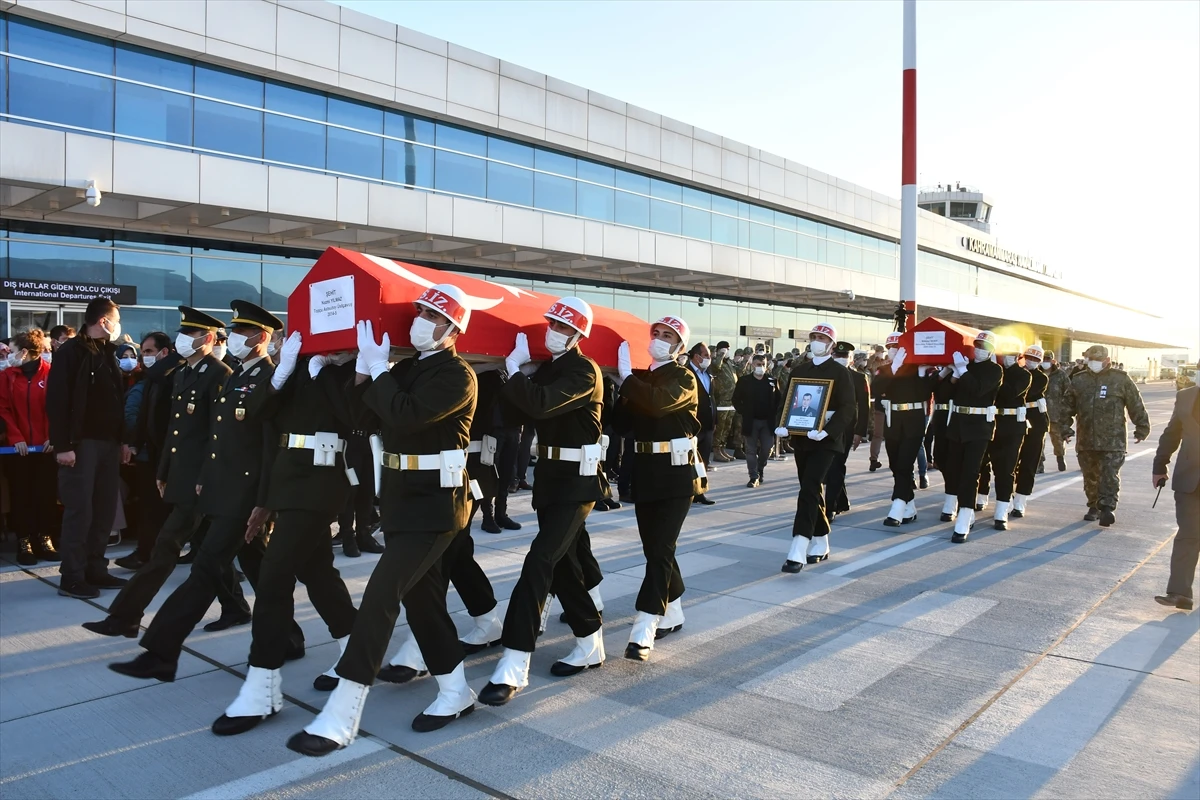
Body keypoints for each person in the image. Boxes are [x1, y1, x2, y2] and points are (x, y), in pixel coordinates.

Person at [287, 286, 481, 757]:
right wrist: (345, 371)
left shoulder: (458, 376)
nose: (419, 321)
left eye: (432, 316)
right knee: (423, 602)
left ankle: (342, 712)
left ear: (453, 329)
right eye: (418, 312)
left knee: (379, 597)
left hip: (436, 507)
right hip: (400, 502)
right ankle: (456, 691)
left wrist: (377, 370)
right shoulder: (407, 369)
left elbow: (404, 414)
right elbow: (362, 418)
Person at [107, 301, 306, 682]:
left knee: (205, 569)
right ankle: (289, 638)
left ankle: (160, 653)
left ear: (261, 338)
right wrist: (205, 479)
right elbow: (218, 438)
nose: (232, 338)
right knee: (262, 572)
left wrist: (264, 502)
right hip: (222, 489)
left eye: (241, 332)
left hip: (245, 496)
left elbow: (269, 447)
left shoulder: (270, 377)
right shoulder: (237, 376)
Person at [211, 330, 359, 737]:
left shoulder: (348, 370)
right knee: (318, 572)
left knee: (275, 577)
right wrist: (284, 373)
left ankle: (263, 688)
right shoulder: (289, 371)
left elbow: (354, 418)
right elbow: (257, 415)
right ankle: (358, 650)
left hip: (322, 481)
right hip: (288, 482)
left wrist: (332, 369)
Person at [82, 307, 249, 638]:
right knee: (206, 552)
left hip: (201, 483)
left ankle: (125, 617)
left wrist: (205, 479)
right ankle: (236, 608)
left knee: (164, 550)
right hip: (182, 477)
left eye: (191, 333)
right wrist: (164, 470)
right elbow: (175, 432)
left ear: (210, 338)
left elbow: (219, 436)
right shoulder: (186, 372)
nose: (184, 339)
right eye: (182, 333)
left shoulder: (220, 375)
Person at [478, 297, 609, 707]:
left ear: (578, 335)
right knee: (565, 567)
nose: (554, 331)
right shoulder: (550, 369)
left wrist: (520, 374)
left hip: (578, 484)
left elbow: (541, 404)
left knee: (539, 561)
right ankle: (590, 641)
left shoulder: (584, 371)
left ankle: (514, 662)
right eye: (551, 323)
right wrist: (504, 374)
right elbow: (516, 411)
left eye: (563, 327)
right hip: (550, 482)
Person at [612, 315, 703, 661]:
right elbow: (621, 425)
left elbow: (658, 403)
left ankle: (645, 625)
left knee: (661, 548)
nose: (660, 339)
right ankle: (674, 609)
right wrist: (621, 387)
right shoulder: (640, 380)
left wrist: (627, 381)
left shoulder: (684, 377)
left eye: (668, 336)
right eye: (656, 334)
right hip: (646, 471)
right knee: (656, 549)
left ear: (680, 346)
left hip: (676, 474)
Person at [47, 296, 128, 599]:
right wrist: (63, 445)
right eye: (116, 319)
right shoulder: (71, 352)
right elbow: (57, 402)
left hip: (108, 444)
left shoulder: (109, 353)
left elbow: (115, 400)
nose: (119, 326)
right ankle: (73, 577)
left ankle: (96, 568)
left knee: (104, 510)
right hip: (80, 446)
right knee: (80, 512)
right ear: (104, 321)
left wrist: (121, 440)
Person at [776, 322, 856, 572]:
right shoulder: (799, 370)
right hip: (802, 438)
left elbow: (848, 409)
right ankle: (822, 541)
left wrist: (828, 431)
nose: (816, 341)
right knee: (809, 490)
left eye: (822, 337)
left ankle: (798, 547)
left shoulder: (840, 372)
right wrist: (782, 424)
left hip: (826, 441)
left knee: (809, 488)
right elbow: (788, 400)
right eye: (813, 337)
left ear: (831, 344)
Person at [1057, 345, 1151, 526]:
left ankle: (1107, 508)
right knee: (1090, 477)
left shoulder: (1120, 380)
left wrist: (1142, 428)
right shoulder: (1078, 380)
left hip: (1113, 440)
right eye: (1091, 359)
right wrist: (1065, 430)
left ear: (1107, 361)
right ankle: (1094, 506)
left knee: (1109, 474)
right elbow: (1066, 407)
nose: (1093, 363)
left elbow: (1135, 404)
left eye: (1098, 360)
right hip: (1086, 439)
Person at [117, 333, 184, 571]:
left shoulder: (169, 380)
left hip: (161, 455)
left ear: (164, 353)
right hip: (151, 454)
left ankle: (149, 553)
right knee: (152, 508)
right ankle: (149, 552)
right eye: (142, 352)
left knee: (157, 509)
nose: (143, 357)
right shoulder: (150, 381)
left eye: (148, 351)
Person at [0, 329, 59, 565]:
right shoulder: (7, 376)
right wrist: (16, 437)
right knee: (21, 494)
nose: (10, 355)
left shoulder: (51, 373)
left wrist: (51, 436)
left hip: (45, 448)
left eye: (12, 350)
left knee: (45, 494)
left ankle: (44, 539)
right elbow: (3, 408)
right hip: (18, 449)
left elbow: (55, 408)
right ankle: (24, 542)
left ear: (24, 352)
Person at [939, 331, 1004, 542]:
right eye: (977, 345)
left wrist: (962, 370)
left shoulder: (995, 370)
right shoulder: (965, 366)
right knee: (953, 468)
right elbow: (943, 395)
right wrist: (949, 373)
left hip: (979, 428)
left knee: (970, 472)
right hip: (957, 424)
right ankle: (956, 505)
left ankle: (965, 515)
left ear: (991, 351)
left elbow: (978, 390)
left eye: (984, 346)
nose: (979, 349)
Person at [871, 333, 935, 527]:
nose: (893, 349)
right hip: (893, 419)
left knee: (905, 464)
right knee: (895, 465)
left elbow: (926, 393)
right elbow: (876, 390)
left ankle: (897, 507)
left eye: (896, 346)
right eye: (890, 346)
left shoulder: (917, 369)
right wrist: (894, 368)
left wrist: (923, 375)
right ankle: (910, 506)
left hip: (913, 419)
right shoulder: (884, 370)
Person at [1152, 384, 1199, 610]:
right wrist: (1160, 465)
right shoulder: (1186, 396)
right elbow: (1172, 433)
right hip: (1190, 478)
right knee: (1188, 535)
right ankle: (1180, 593)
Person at [977, 341, 1031, 530]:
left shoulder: (1024, 375)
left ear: (1018, 357)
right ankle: (981, 496)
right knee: (982, 464)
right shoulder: (994, 370)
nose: (1006, 357)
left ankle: (1001, 510)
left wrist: (995, 374)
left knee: (1005, 469)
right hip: (991, 423)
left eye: (1011, 354)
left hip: (1011, 427)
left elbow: (1008, 393)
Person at [824, 342, 869, 521]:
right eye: (838, 356)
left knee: (836, 465)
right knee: (830, 466)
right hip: (825, 426)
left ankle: (830, 507)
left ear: (851, 359)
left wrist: (860, 432)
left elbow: (864, 407)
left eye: (845, 357)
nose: (841, 360)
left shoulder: (859, 378)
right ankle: (841, 501)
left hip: (847, 428)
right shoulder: (827, 374)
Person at [1012, 345, 1050, 519]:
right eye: (1029, 357)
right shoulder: (1015, 373)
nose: (1031, 361)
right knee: (1010, 462)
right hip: (1016, 419)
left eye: (1036, 359)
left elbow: (1023, 393)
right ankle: (1007, 496)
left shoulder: (1041, 378)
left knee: (1029, 461)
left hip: (1035, 421)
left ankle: (1020, 500)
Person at [732, 353, 778, 488]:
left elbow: (778, 400)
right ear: (753, 364)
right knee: (750, 451)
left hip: (767, 422)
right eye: (758, 364)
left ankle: (760, 468)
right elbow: (736, 399)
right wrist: (743, 411)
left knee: (767, 449)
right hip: (751, 421)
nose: (761, 367)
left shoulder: (772, 381)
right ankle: (753, 476)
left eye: (763, 365)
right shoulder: (745, 381)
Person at [687, 341, 715, 505]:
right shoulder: (686, 373)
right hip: (693, 426)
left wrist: (714, 421)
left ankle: (700, 492)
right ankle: (689, 492)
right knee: (689, 461)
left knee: (703, 461)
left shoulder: (708, 374)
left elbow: (712, 399)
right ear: (697, 357)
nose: (709, 359)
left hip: (708, 425)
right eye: (706, 356)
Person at [1042, 350, 1071, 472]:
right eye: (1044, 359)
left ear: (1053, 360)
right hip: (1039, 414)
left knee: (1057, 440)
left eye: (1048, 359)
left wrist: (1066, 411)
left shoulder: (1061, 375)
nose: (1045, 361)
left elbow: (1069, 392)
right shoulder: (1037, 373)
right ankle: (1039, 464)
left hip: (1055, 414)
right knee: (1038, 442)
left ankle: (1060, 457)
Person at [711, 341, 738, 462]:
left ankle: (722, 448)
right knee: (720, 427)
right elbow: (716, 368)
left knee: (727, 427)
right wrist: (720, 355)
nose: (727, 351)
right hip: (721, 400)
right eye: (725, 349)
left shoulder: (729, 363)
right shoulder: (716, 361)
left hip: (731, 400)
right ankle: (716, 450)